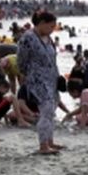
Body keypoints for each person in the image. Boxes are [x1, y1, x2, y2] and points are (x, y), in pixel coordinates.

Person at [16, 11, 64, 155]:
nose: (52, 29)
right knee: (46, 109)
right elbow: (21, 60)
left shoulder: (48, 39)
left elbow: (53, 60)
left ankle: (49, 141)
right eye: (50, 26)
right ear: (41, 23)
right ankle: (43, 145)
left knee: (50, 110)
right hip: (37, 79)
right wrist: (25, 74)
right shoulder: (28, 38)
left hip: (51, 78)